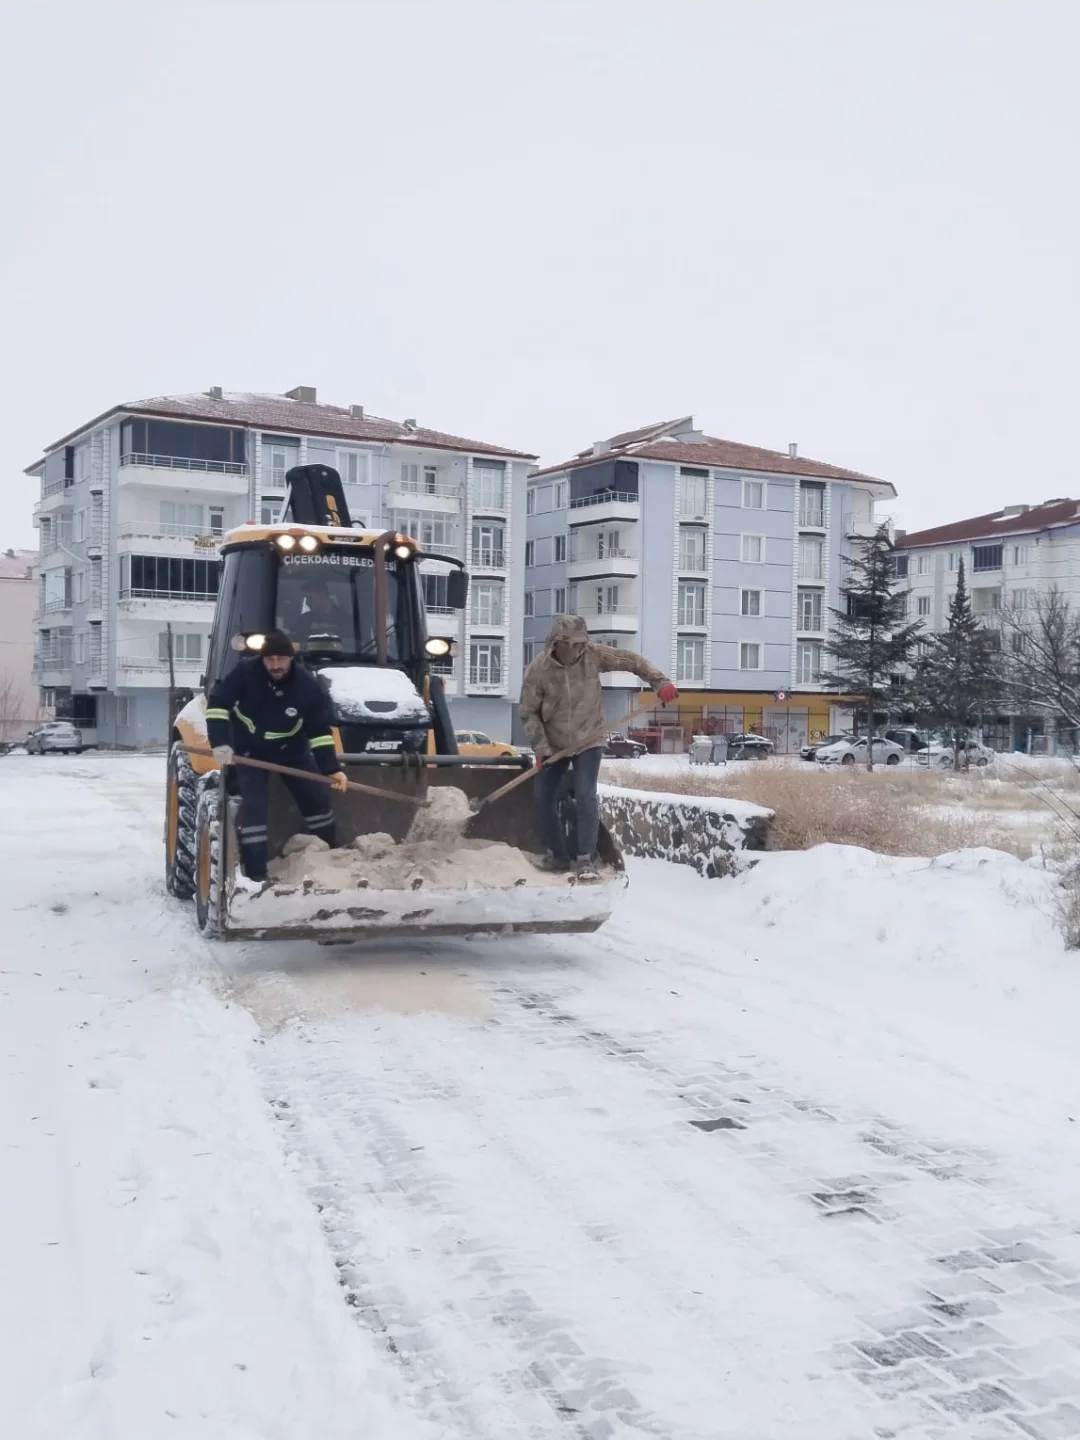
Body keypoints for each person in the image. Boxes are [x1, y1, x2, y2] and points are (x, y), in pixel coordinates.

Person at [518, 614, 678, 878]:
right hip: (554, 744)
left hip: (590, 738)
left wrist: (660, 682)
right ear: (555, 642)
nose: (574, 649)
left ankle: (585, 859)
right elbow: (528, 712)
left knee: (585, 795)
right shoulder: (539, 670)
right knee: (543, 798)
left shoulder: (593, 656)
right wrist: (540, 746)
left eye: (579, 644)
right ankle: (558, 856)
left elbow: (631, 660)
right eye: (568, 644)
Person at [205, 629, 347, 882]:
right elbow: (218, 706)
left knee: (316, 796)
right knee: (254, 806)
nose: (275, 665)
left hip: (292, 751)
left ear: (291, 658)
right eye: (269, 659)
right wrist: (221, 744)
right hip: (250, 752)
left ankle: (328, 855)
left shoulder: (308, 687)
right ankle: (256, 875)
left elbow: (319, 732)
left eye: (281, 659)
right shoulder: (245, 673)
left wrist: (331, 769)